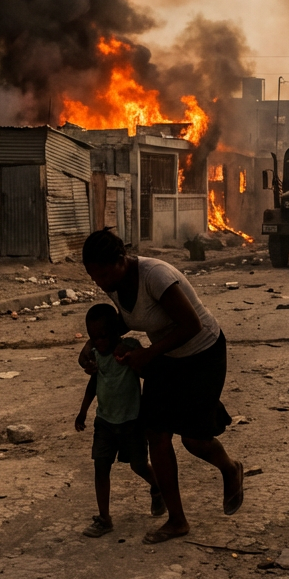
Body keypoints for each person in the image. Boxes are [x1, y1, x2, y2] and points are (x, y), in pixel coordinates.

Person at [80, 228, 243, 544]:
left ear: (120, 261)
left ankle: (230, 468)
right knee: (157, 434)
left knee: (195, 441)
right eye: (92, 275)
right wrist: (92, 347)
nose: (97, 281)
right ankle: (177, 520)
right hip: (165, 357)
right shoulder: (114, 284)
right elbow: (125, 321)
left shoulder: (155, 275)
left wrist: (147, 354)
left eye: (100, 273)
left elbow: (191, 325)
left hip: (202, 353)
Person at [74, 303, 165, 537]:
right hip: (104, 421)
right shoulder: (96, 356)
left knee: (138, 465)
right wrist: (83, 411)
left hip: (131, 421)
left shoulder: (129, 348)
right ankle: (104, 518)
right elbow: (93, 384)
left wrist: (131, 358)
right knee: (101, 466)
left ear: (117, 333)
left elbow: (148, 371)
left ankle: (157, 488)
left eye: (103, 336)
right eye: (93, 338)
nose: (99, 342)